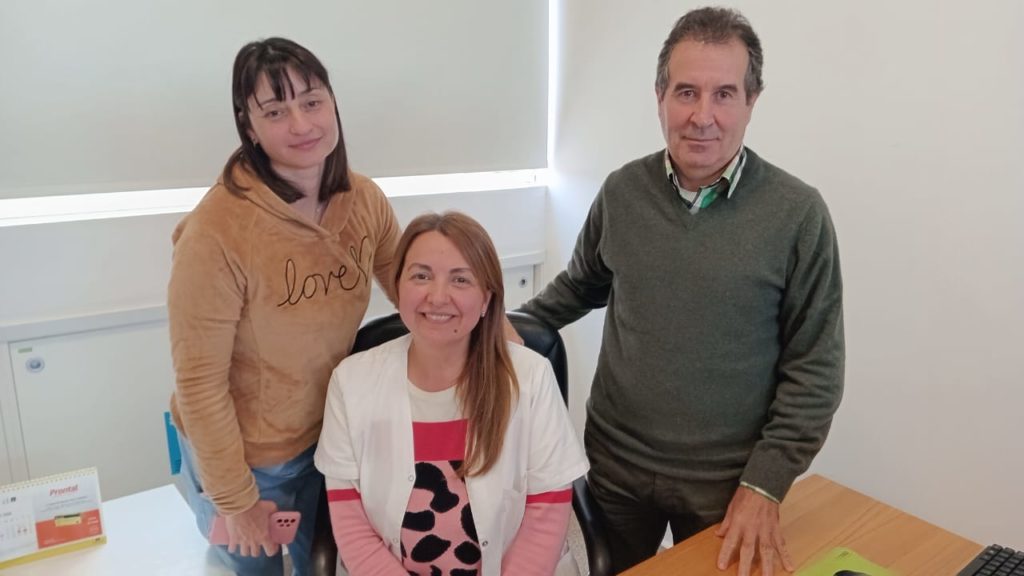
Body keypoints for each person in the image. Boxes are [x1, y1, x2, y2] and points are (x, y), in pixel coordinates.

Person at [518, 7, 844, 576]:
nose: (702, 116)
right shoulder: (622, 192)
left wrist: (765, 485)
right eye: (686, 92)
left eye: (724, 95)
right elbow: (581, 286)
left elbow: (815, 370)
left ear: (751, 102)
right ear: (660, 97)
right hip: (617, 467)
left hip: (727, 484)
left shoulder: (798, 215)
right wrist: (502, 330)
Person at [167, 37, 401, 575]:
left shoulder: (363, 199)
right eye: (275, 111)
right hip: (249, 460)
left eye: (312, 102)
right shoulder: (215, 232)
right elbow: (199, 382)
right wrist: (235, 500)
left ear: (333, 103)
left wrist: (496, 335)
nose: (301, 124)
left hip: (329, 437)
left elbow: (410, 284)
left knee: (323, 564)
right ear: (249, 127)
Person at [314, 211, 589, 576]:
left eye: (460, 279)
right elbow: (350, 521)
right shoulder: (351, 382)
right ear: (397, 288)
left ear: (487, 299)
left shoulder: (531, 377)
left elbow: (547, 510)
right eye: (421, 276)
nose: (438, 296)